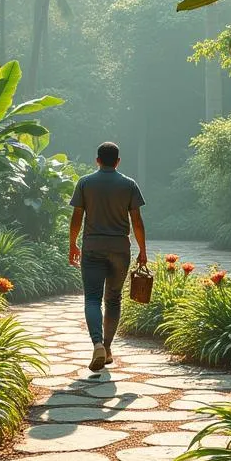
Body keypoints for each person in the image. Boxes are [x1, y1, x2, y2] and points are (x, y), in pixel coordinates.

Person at [68, 141, 148, 372]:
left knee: (92, 298)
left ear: (97, 160)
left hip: (92, 247)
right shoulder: (129, 185)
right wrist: (142, 250)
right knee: (113, 299)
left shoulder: (85, 183)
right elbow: (137, 222)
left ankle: (97, 345)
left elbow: (76, 217)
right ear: (118, 161)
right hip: (120, 249)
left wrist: (73, 243)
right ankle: (108, 347)